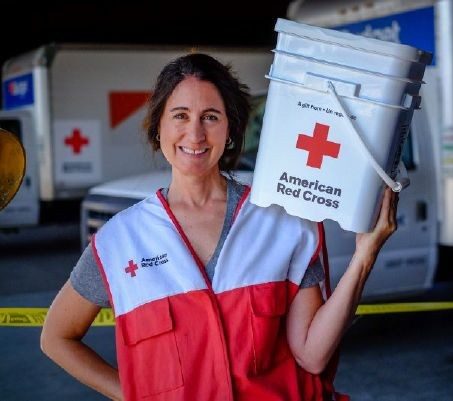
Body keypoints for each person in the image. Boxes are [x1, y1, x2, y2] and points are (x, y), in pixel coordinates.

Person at [40, 53, 399, 401]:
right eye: (180, 115)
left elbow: (312, 355)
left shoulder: (284, 223)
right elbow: (56, 337)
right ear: (158, 127)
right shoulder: (119, 242)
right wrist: (132, 394)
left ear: (229, 129)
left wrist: (364, 256)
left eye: (210, 117)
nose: (195, 134)